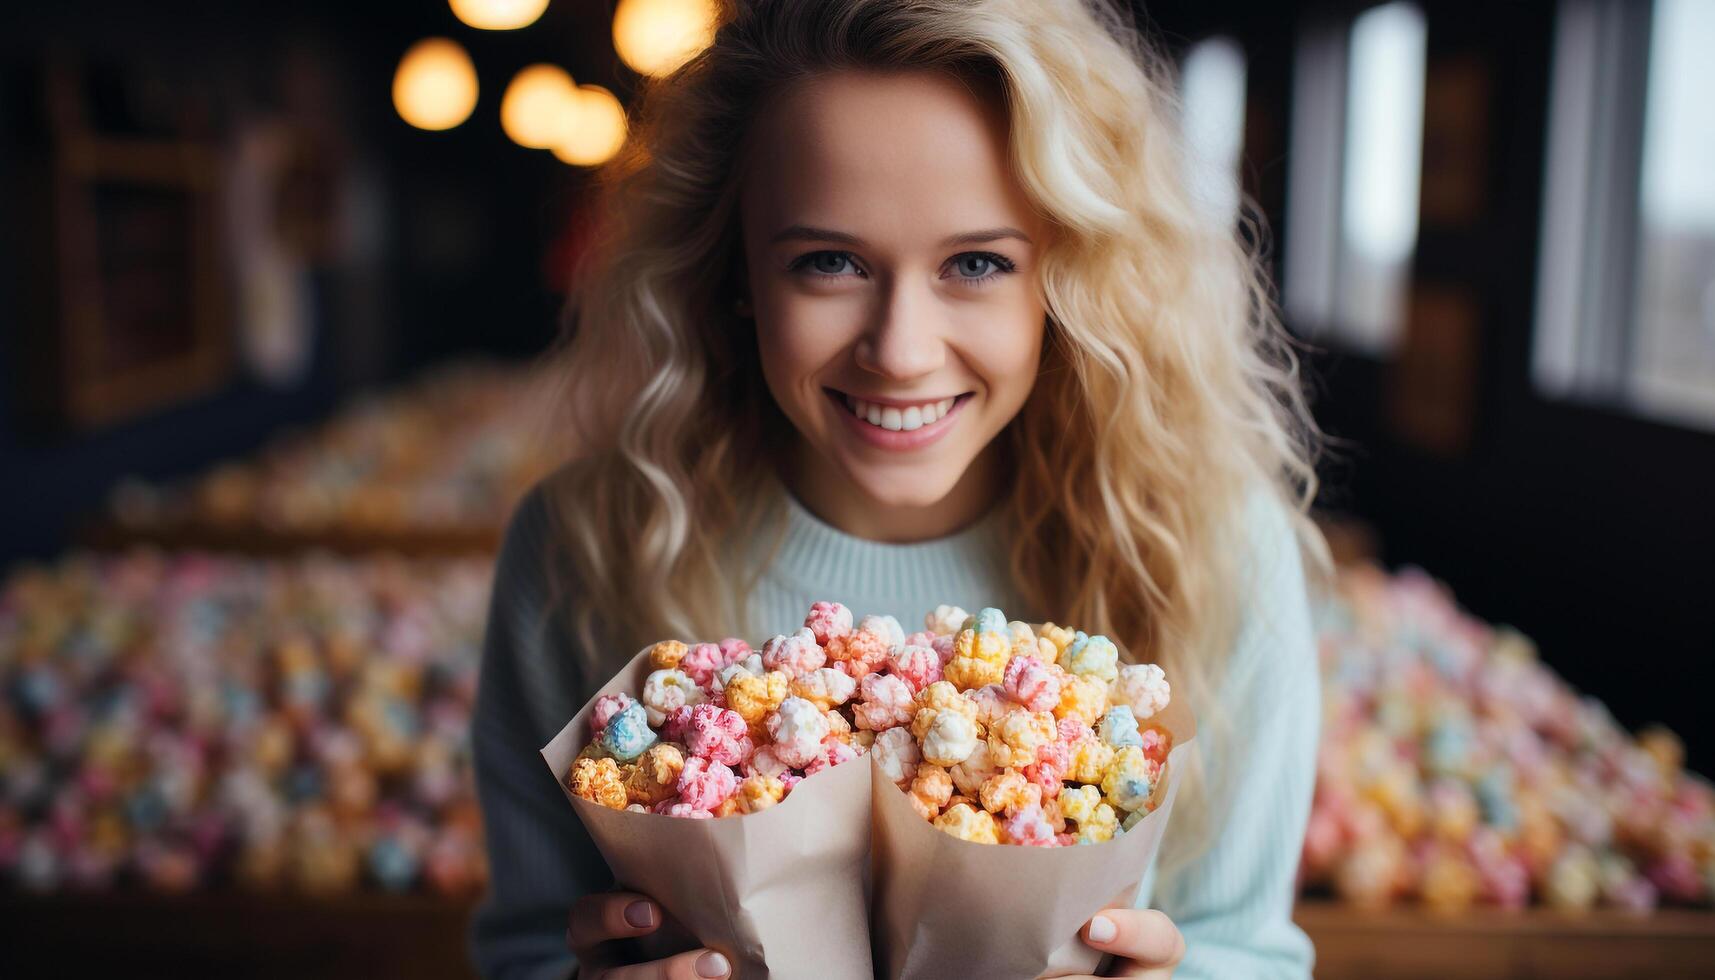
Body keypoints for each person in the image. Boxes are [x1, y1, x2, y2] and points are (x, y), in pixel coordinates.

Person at [470, 1, 1327, 977]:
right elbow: (526, 944)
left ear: (1068, 273)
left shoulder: (1208, 549)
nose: (900, 350)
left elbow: (1248, 949)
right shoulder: (583, 545)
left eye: (976, 262)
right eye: (827, 261)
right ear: (736, 271)